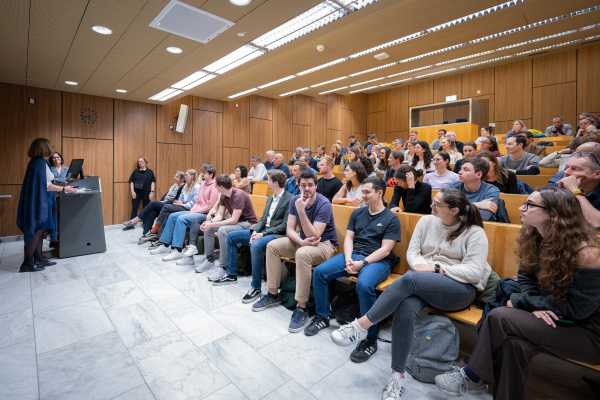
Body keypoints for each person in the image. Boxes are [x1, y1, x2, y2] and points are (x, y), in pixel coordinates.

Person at [435, 188, 600, 400]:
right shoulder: (535, 238)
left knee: (500, 316)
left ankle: (472, 375)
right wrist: (535, 305)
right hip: (556, 318)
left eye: (530, 204)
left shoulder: (588, 254)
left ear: (554, 214)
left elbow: (577, 310)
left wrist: (522, 301)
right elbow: (525, 279)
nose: (522, 208)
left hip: (587, 333)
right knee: (514, 345)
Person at [331, 189, 491, 400]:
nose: (431, 207)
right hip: (423, 282)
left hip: (459, 289)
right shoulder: (427, 222)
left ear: (454, 210)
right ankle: (397, 376)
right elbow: (412, 254)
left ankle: (361, 326)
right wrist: (421, 267)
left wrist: (435, 268)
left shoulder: (474, 232)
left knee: (408, 279)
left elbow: (474, 272)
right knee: (405, 308)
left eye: (437, 204)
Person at [307, 177, 400, 362]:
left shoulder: (390, 218)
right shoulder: (358, 213)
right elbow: (349, 238)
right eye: (362, 192)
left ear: (380, 193)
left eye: (367, 192)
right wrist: (349, 258)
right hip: (354, 255)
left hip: (377, 260)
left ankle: (370, 338)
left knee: (364, 285)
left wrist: (363, 263)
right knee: (319, 273)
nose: (362, 195)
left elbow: (386, 249)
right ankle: (323, 316)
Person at [253, 170, 338, 333]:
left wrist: (301, 211)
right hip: (303, 240)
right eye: (303, 185)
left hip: (324, 245)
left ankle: (301, 306)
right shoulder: (294, 200)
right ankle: (272, 294)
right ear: (298, 186)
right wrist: (300, 241)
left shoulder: (324, 203)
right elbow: (290, 229)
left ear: (316, 186)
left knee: (302, 253)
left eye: (310, 185)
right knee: (273, 246)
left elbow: (315, 235)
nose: (307, 189)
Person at [217, 170, 292, 289]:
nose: (266, 182)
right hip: (263, 231)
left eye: (268, 180)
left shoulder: (290, 199)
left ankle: (255, 287)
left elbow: (284, 225)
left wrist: (262, 234)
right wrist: (254, 230)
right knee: (232, 237)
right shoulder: (270, 198)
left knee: (256, 245)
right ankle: (232, 274)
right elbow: (262, 220)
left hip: (277, 235)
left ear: (276, 183)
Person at [17, 138, 76, 272]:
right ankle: (27, 263)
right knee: (36, 230)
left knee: (41, 231)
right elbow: (46, 185)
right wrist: (63, 189)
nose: (51, 148)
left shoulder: (40, 162)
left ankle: (39, 258)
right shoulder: (38, 163)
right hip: (38, 202)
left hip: (42, 201)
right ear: (43, 148)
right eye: (50, 146)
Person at [195, 175, 258, 280]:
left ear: (221, 186)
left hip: (248, 224)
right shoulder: (223, 196)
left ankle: (223, 266)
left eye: (216, 185)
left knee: (223, 230)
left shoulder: (238, 195)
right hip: (237, 223)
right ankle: (209, 259)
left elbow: (234, 219)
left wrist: (212, 224)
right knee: (209, 228)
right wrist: (209, 222)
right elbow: (219, 215)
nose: (214, 187)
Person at [170, 165, 221, 265]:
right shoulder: (202, 184)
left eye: (205, 173)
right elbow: (197, 201)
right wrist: (193, 210)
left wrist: (195, 211)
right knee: (176, 216)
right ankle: (189, 255)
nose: (202, 175)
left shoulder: (214, 187)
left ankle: (177, 249)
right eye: (202, 173)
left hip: (205, 213)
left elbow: (210, 206)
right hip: (197, 211)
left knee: (182, 219)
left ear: (211, 175)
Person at [126, 171, 185, 241]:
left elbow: (176, 200)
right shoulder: (174, 185)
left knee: (153, 203)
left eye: (177, 177)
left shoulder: (182, 187)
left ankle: (137, 219)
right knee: (152, 212)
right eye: (175, 176)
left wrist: (162, 202)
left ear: (182, 179)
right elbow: (166, 195)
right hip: (164, 202)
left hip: (170, 205)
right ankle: (146, 234)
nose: (174, 178)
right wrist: (160, 202)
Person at [143, 169, 199, 235]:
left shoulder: (196, 187)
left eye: (186, 175)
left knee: (165, 207)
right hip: (180, 205)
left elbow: (193, 203)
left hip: (188, 208)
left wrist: (183, 203)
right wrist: (179, 202)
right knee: (154, 211)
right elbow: (181, 198)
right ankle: (147, 233)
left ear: (192, 177)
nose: (185, 177)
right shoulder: (185, 186)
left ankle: (155, 229)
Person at [557, 151, 600, 228]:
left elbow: (597, 224)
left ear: (597, 174)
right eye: (566, 168)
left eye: (575, 169)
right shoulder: (562, 187)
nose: (566, 172)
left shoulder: (573, 189)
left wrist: (575, 191)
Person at [452, 157, 500, 221]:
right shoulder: (453, 187)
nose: (459, 172)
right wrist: (477, 205)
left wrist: (458, 209)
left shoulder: (491, 190)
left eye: (466, 170)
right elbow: (446, 210)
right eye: (460, 169)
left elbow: (483, 217)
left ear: (478, 174)